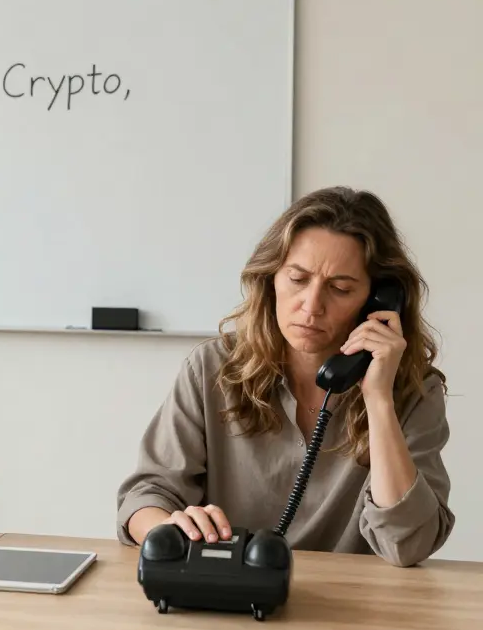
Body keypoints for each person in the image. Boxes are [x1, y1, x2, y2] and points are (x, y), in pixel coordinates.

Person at [117, 186, 452, 568]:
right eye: (297, 279)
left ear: (378, 300)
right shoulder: (212, 367)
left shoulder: (413, 390)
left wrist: (378, 401)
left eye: (340, 288)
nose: (311, 307)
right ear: (271, 278)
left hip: (351, 610)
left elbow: (409, 546)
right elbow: (145, 496)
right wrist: (170, 528)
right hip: (226, 597)